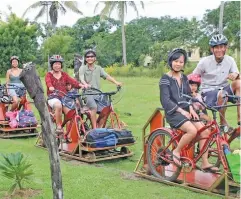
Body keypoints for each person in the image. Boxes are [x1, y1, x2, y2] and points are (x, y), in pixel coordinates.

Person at [160, 48, 219, 172]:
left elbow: (187, 96)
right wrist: (182, 111)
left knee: (205, 132)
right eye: (176, 61)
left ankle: (205, 162)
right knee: (192, 130)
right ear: (170, 61)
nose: (178, 64)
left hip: (187, 111)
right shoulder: (165, 79)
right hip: (173, 113)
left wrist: (191, 108)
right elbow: (165, 101)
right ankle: (176, 151)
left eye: (181, 62)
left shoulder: (185, 78)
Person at [193, 34, 240, 128]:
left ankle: (240, 118)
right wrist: (194, 92)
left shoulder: (230, 60)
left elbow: (238, 76)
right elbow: (193, 77)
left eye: (222, 47)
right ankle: (223, 123)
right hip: (208, 92)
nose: (219, 50)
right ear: (212, 49)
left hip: (224, 89)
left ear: (226, 48)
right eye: (216, 47)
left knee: (239, 83)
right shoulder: (204, 61)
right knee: (222, 93)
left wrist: (236, 76)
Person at [79, 49, 122, 129]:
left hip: (98, 93)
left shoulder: (98, 68)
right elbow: (81, 78)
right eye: (88, 57)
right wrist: (85, 84)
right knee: (94, 107)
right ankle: (95, 130)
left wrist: (116, 82)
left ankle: (99, 126)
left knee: (107, 109)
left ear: (95, 58)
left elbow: (107, 76)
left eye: (92, 56)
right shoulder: (83, 68)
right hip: (87, 93)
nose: (90, 58)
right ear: (85, 59)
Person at [45, 55, 84, 134]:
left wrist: (81, 85)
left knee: (70, 113)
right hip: (53, 97)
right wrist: (50, 87)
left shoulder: (64, 74)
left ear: (61, 65)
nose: (57, 66)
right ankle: (59, 127)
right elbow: (48, 82)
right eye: (55, 64)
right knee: (58, 105)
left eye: (59, 64)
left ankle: (69, 134)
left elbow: (73, 82)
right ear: (52, 65)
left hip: (64, 98)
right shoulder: (49, 74)